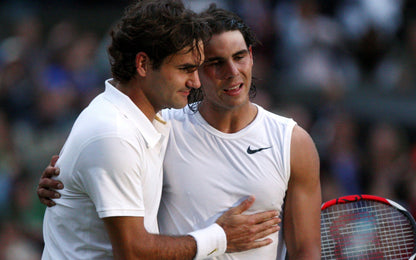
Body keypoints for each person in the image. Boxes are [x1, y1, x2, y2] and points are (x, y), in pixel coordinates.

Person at [38, 3, 321, 259]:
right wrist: (221, 237)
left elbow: (306, 251)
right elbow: (104, 150)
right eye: (213, 63)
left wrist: (67, 183)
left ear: (251, 56)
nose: (232, 72)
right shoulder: (156, 127)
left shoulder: (292, 142)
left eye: (239, 56)